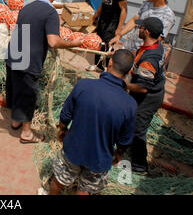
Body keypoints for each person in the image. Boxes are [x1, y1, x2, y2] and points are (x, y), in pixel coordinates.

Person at [49, 49, 137, 195]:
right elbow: (125, 139)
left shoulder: (84, 85)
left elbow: (65, 115)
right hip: (100, 159)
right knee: (85, 190)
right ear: (130, 71)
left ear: (110, 63)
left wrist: (62, 130)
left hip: (73, 149)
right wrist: (119, 153)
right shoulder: (130, 105)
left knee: (59, 180)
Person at [5, 0, 83, 144]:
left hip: (14, 53)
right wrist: (73, 44)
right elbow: (53, 42)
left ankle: (15, 121)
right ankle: (26, 134)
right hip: (29, 60)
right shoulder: (51, 13)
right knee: (27, 95)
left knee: (16, 88)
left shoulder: (26, 7)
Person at [125, 17, 166, 174]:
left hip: (149, 98)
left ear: (146, 31)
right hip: (153, 91)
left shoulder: (149, 59)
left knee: (138, 130)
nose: (138, 29)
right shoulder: (155, 46)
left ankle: (139, 165)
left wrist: (124, 84)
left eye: (140, 27)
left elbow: (142, 88)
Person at [81, 0, 128, 72]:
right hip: (103, 19)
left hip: (112, 23)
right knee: (99, 42)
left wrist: (119, 29)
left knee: (107, 45)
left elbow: (124, 10)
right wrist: (96, 14)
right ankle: (97, 65)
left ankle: (106, 68)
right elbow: (104, 1)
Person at [109, 0, 175, 55]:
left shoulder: (167, 16)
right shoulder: (147, 3)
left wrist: (137, 54)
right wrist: (119, 35)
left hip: (141, 54)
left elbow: (157, 39)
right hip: (128, 47)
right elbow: (134, 20)